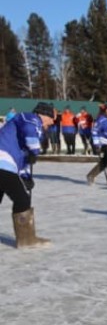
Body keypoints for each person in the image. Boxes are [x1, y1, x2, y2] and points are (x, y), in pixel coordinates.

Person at [0, 102, 55, 248]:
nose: (52, 121)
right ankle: (26, 239)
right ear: (43, 114)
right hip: (2, 162)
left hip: (7, 164)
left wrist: (25, 177)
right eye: (51, 117)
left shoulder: (30, 130)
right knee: (22, 200)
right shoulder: (30, 118)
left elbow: (22, 159)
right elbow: (29, 131)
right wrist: (34, 150)